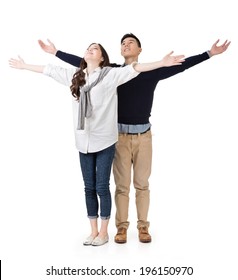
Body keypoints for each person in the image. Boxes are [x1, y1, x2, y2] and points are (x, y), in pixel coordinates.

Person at [38, 35, 231, 244]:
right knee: (121, 186)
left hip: (144, 137)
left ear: (140, 49)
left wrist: (209, 54)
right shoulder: (113, 72)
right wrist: (56, 52)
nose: (126, 45)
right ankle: (121, 228)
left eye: (131, 43)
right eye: (123, 43)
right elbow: (85, 64)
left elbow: (181, 66)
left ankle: (143, 227)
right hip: (118, 137)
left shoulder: (152, 71)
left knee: (142, 185)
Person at [9, 42, 185, 246]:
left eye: (95, 49)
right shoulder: (76, 76)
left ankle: (106, 232)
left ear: (102, 58)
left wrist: (162, 63)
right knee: (89, 188)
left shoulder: (110, 75)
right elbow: (49, 70)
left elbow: (135, 68)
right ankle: (93, 231)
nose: (89, 50)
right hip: (83, 140)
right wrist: (26, 65)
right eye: (88, 48)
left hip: (105, 141)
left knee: (104, 186)